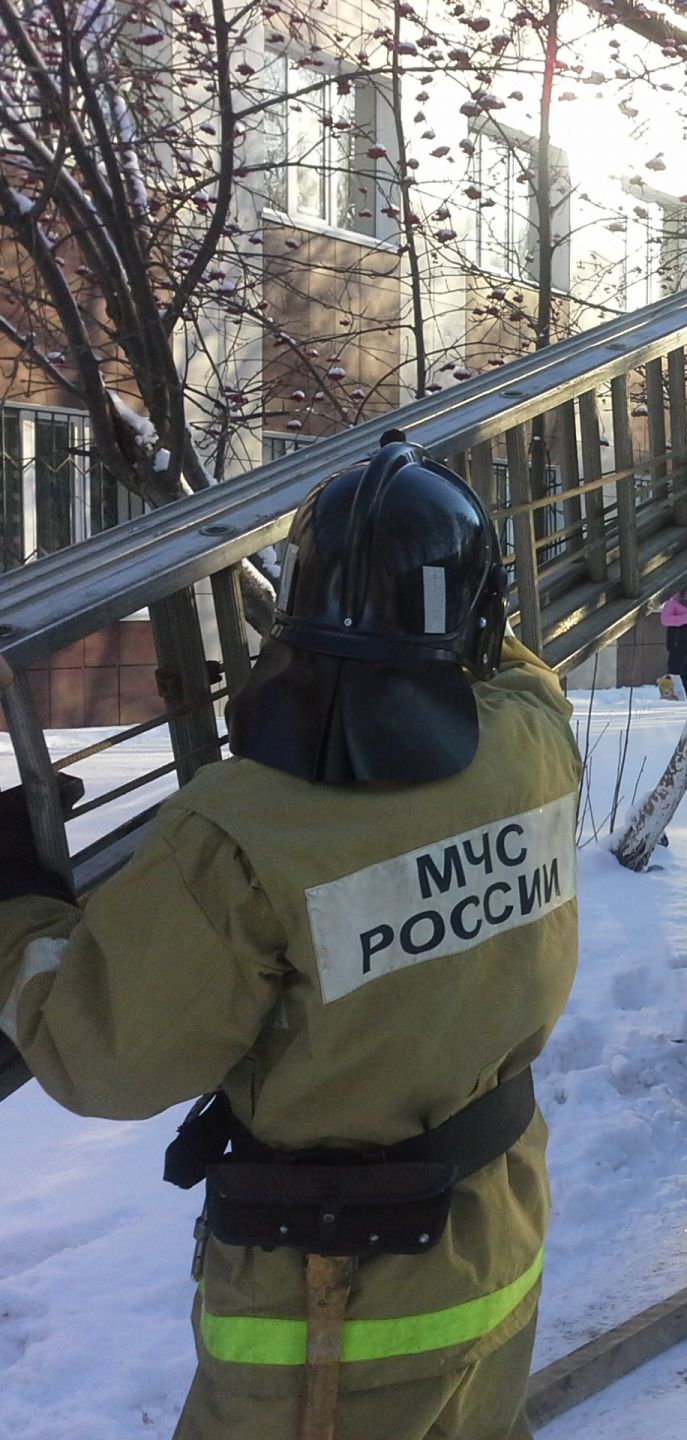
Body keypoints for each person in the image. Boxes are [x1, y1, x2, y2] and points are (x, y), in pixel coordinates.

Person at [0, 442, 581, 1439]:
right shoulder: (532, 737)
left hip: (334, 1308)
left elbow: (106, 1062)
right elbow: (504, 655)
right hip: (495, 1240)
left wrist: (18, 909)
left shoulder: (241, 831)